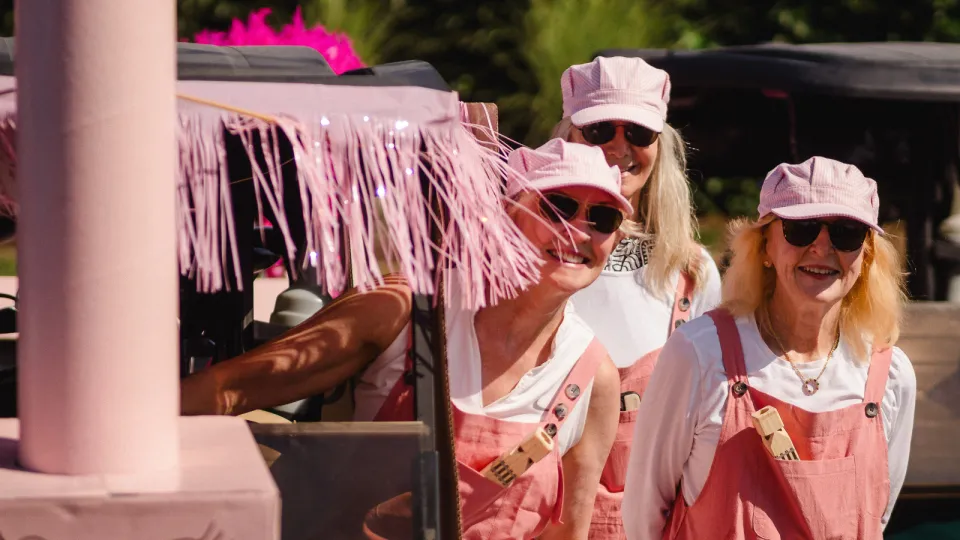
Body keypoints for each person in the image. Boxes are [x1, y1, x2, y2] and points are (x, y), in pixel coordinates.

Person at [181, 138, 627, 540]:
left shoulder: (592, 376)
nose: (579, 231)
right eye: (557, 207)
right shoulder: (404, 309)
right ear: (507, 215)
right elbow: (226, 391)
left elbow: (567, 532)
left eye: (602, 218)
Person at [622, 157, 917, 539]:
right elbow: (643, 515)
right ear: (764, 247)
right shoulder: (699, 355)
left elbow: (876, 514)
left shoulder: (890, 377)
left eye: (846, 233)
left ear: (867, 257)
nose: (822, 246)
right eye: (801, 228)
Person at [551, 56, 722, 537]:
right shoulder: (536, 258)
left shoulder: (692, 272)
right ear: (568, 136)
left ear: (661, 146)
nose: (619, 148)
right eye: (601, 129)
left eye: (639, 134)